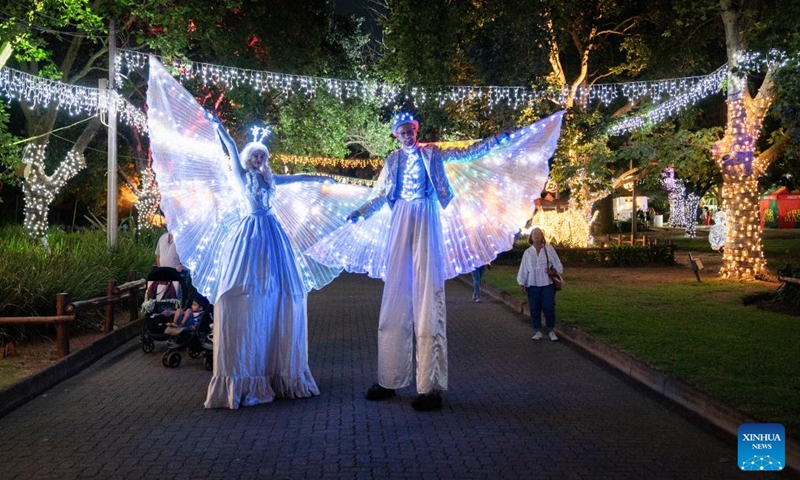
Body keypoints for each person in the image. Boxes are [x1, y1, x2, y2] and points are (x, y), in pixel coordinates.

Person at [347, 112, 509, 411]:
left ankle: (430, 387)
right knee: (395, 295)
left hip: (426, 214)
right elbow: (382, 194)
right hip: (401, 217)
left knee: (427, 299)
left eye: (411, 130)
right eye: (403, 131)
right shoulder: (393, 160)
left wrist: (496, 140)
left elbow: (466, 152)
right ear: (396, 135)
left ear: (416, 131)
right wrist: (362, 211)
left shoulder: (432, 153)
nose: (408, 135)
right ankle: (389, 378)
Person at [201, 117, 329, 409]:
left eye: (263, 156)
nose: (259, 160)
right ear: (248, 158)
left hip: (272, 233)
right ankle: (244, 371)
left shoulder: (270, 179)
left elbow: (295, 178)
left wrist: (318, 178)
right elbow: (230, 147)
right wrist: (217, 126)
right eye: (255, 156)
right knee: (241, 289)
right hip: (251, 231)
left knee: (281, 289)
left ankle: (278, 369)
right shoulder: (241, 176)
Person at [517, 227, 563, 342]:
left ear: (542, 236)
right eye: (535, 233)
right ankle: (537, 331)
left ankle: (551, 330)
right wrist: (522, 283)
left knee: (549, 307)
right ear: (531, 237)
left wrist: (553, 271)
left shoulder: (549, 249)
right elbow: (524, 269)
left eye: (539, 233)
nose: (537, 235)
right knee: (534, 307)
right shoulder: (528, 252)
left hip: (547, 284)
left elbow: (558, 265)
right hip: (532, 284)